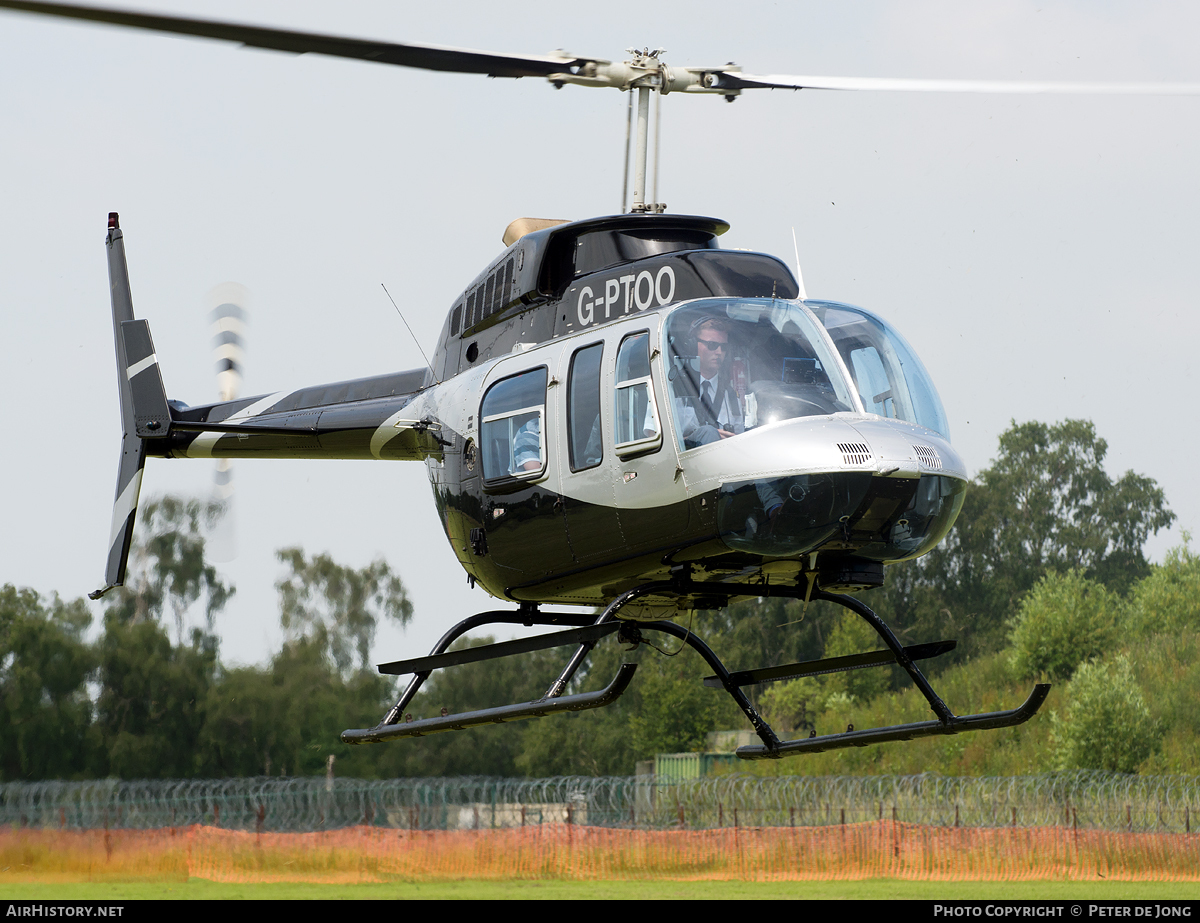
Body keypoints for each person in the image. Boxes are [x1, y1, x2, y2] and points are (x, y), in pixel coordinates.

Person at [665, 316, 744, 448]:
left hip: (723, 462)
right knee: (708, 433)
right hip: (683, 464)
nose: (719, 352)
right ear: (693, 346)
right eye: (712, 345)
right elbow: (653, 436)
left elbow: (741, 441)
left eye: (723, 347)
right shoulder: (672, 388)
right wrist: (700, 437)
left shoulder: (731, 396)